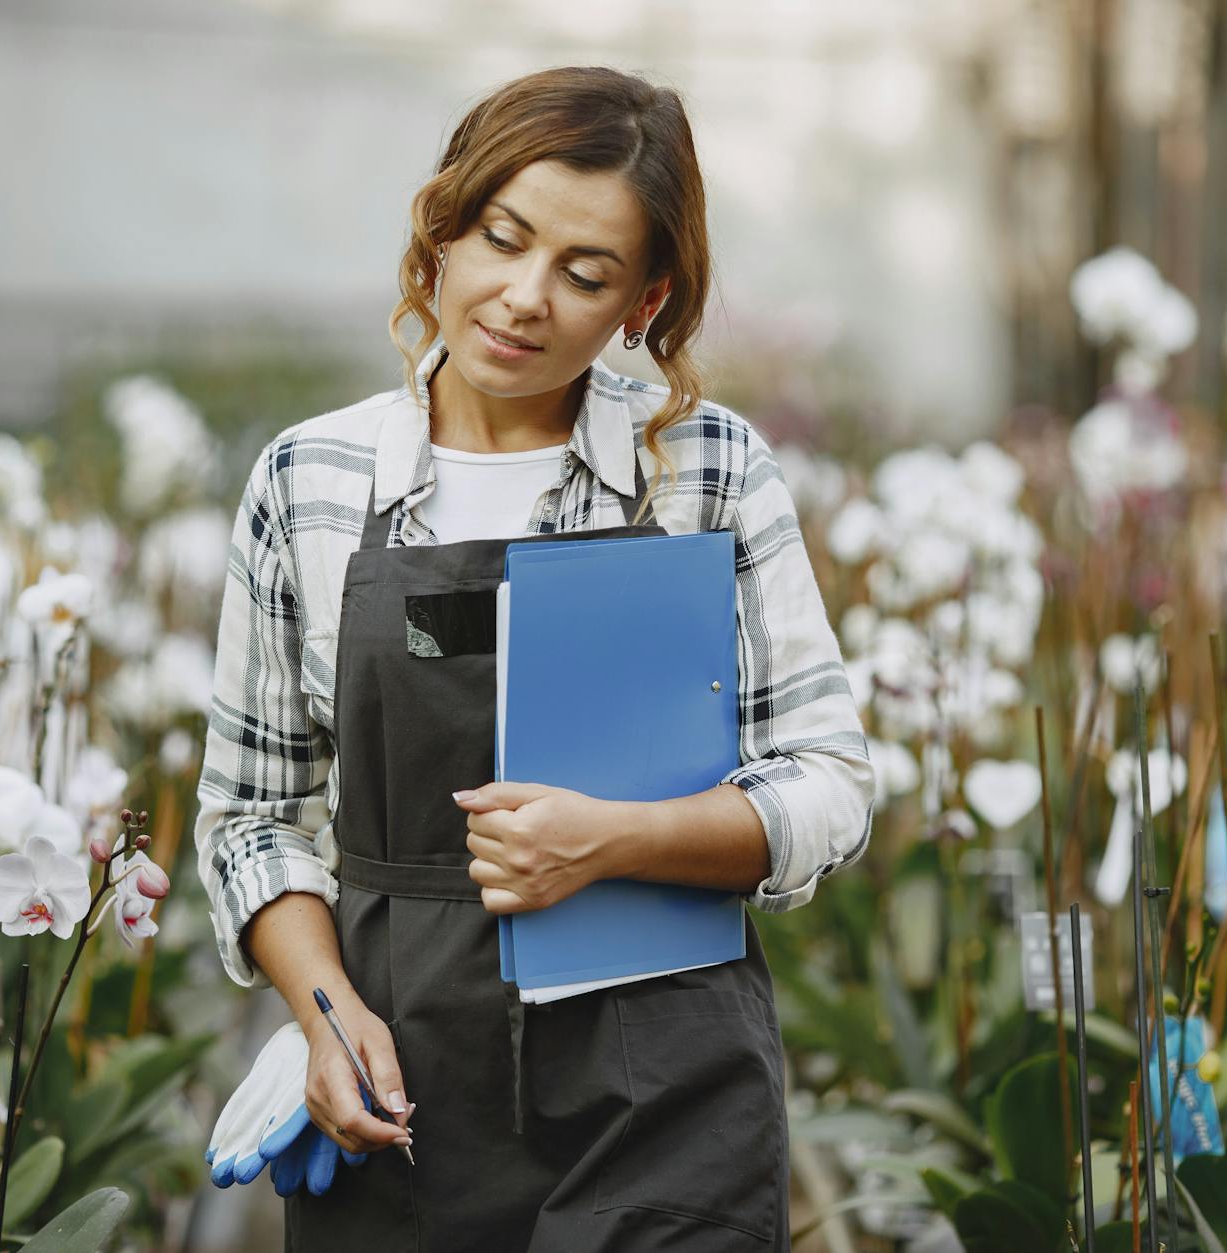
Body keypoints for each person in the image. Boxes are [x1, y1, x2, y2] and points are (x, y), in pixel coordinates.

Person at [193, 64, 874, 1250]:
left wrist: (616, 838)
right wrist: (326, 1015)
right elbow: (251, 818)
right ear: (443, 229)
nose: (522, 297)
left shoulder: (701, 473)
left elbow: (827, 784)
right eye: (501, 239)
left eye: (584, 272)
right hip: (403, 1083)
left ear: (641, 302)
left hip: (665, 1085)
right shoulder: (310, 481)